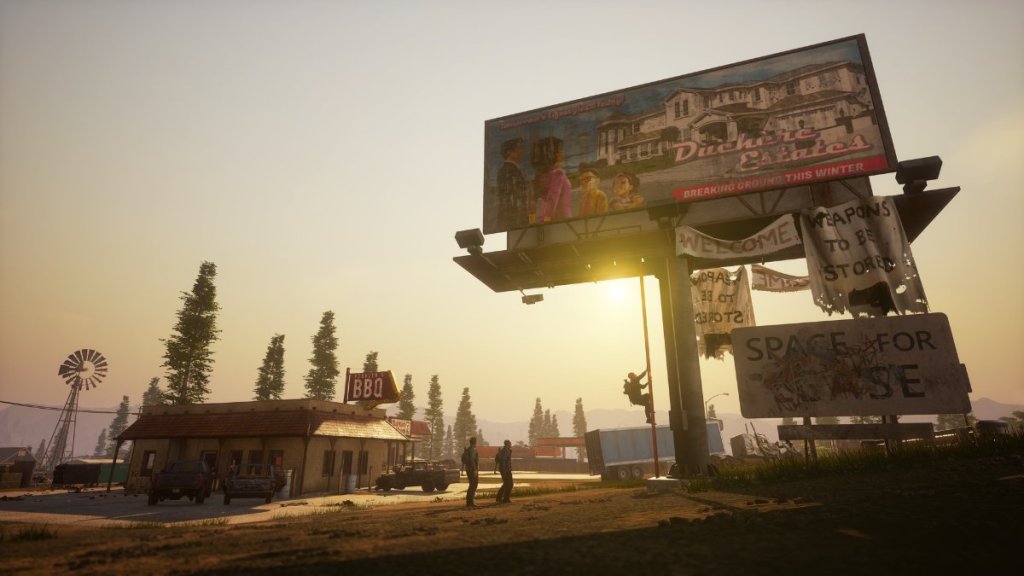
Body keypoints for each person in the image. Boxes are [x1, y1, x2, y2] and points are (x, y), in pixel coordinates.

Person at [530, 136, 572, 223]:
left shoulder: (541, 175)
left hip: (547, 221)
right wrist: (546, 223)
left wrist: (532, 223)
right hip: (561, 221)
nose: (563, 152)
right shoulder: (558, 174)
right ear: (554, 154)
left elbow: (532, 202)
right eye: (560, 150)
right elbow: (552, 200)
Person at [496, 137, 529, 229]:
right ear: (509, 152)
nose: (522, 151)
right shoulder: (509, 170)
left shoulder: (510, 169)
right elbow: (511, 198)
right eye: (519, 148)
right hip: (513, 219)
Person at [461, 436, 479, 508]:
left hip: (468, 469)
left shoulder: (468, 449)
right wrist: (475, 470)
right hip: (472, 470)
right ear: (475, 442)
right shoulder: (472, 450)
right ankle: (470, 502)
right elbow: (472, 460)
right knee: (473, 485)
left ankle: (469, 502)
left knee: (472, 485)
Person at [494, 439, 514, 504]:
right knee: (510, 484)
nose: (511, 445)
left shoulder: (504, 450)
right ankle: (506, 498)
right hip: (506, 470)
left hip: (505, 469)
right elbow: (503, 461)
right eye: (510, 443)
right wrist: (505, 470)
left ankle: (499, 497)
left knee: (506, 484)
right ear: (507, 444)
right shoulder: (506, 451)